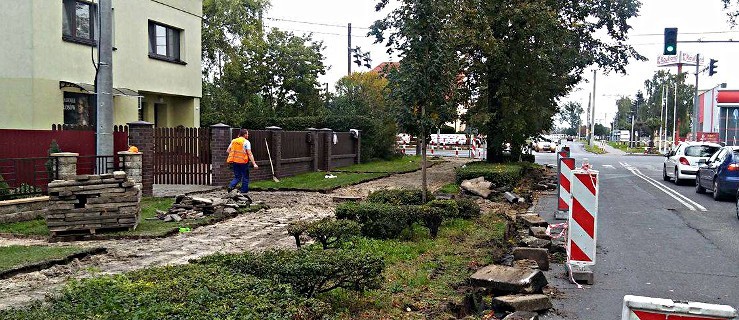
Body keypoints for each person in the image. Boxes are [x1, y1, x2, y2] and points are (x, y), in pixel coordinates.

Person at [226, 129, 258, 193]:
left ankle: (230, 186)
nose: (248, 135)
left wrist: (234, 155)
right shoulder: (246, 142)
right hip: (243, 162)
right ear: (245, 135)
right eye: (247, 134)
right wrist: (254, 164)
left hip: (235, 162)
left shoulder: (233, 141)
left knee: (237, 177)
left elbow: (228, 150)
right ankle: (244, 191)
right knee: (245, 177)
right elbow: (249, 153)